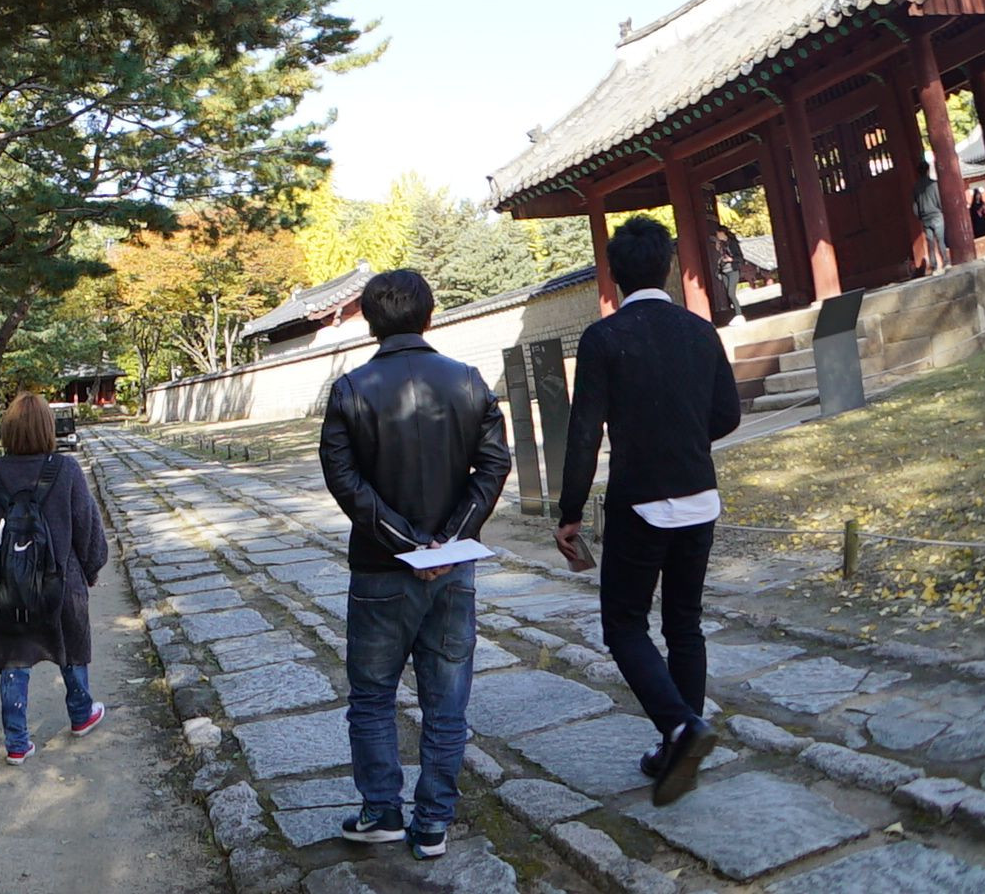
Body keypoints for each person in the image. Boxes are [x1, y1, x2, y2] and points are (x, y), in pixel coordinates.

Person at [317, 268, 512, 864]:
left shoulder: (350, 390)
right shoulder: (469, 381)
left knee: (373, 696)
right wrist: (446, 540)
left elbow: (345, 481)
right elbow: (494, 465)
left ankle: (381, 810)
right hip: (452, 568)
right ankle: (433, 824)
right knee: (446, 701)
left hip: (380, 568)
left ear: (370, 322)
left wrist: (406, 542)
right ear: (429, 315)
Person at [555, 215, 744, 807]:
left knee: (624, 624)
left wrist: (569, 512)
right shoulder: (700, 331)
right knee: (684, 623)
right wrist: (684, 437)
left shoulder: (603, 339)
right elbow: (728, 415)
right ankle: (677, 746)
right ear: (667, 267)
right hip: (700, 496)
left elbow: (585, 433)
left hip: (639, 502)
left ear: (613, 274)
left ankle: (682, 728)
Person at [0, 391, 109, 762]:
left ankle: (17, 742)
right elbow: (87, 527)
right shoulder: (67, 470)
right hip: (62, 579)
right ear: (48, 428)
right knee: (72, 645)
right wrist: (91, 569)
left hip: (11, 586)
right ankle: (81, 713)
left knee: (15, 658)